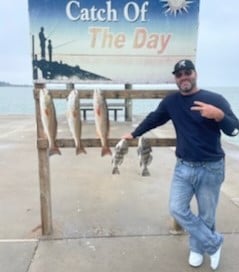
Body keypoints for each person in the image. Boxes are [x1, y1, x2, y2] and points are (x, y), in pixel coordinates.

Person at [123, 59, 239, 270]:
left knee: (207, 215)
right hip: (183, 167)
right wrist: (133, 133)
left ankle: (197, 249)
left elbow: (234, 129)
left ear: (195, 74)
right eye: (179, 74)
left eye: (188, 72)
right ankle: (213, 242)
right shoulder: (171, 102)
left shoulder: (215, 99)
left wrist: (219, 116)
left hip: (211, 167)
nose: (184, 77)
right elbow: (154, 119)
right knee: (177, 208)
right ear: (176, 78)